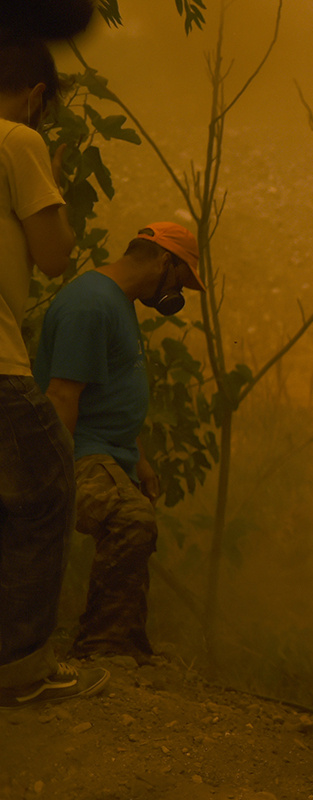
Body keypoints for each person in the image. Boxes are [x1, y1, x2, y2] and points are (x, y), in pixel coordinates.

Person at [33, 222, 204, 661]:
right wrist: (53, 473)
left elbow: (110, 393)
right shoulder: (91, 304)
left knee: (136, 516)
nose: (178, 293)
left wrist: (139, 459)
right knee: (131, 521)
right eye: (182, 279)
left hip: (107, 449)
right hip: (79, 449)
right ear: (165, 260)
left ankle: (124, 640)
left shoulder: (117, 302)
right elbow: (62, 395)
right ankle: (102, 645)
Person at [0, 35, 107, 708]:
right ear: (37, 95)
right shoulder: (17, 139)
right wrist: (54, 180)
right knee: (47, 486)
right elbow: (56, 256)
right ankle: (21, 670)